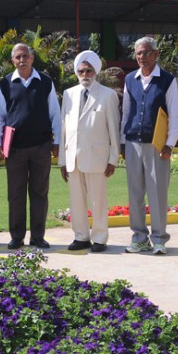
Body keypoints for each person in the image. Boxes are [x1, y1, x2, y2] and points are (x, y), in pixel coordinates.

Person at [0, 43, 61, 249]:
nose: (22, 60)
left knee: (40, 192)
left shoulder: (45, 82)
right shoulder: (6, 83)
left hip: (41, 146)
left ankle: (38, 236)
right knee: (16, 193)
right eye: (18, 57)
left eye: (25, 56)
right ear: (13, 61)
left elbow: (55, 113)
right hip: (14, 148)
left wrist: (57, 141)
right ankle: (17, 236)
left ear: (32, 58)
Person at [120, 36, 178, 255]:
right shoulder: (130, 79)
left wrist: (169, 145)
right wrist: (122, 142)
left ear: (155, 54)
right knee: (135, 194)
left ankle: (159, 239)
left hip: (157, 147)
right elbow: (126, 112)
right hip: (133, 143)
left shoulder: (167, 80)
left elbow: (174, 114)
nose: (142, 57)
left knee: (157, 194)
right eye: (138, 53)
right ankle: (139, 238)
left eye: (146, 52)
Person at [58, 50, 120, 253]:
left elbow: (114, 129)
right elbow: (64, 128)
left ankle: (100, 238)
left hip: (98, 157)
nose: (85, 74)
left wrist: (113, 159)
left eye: (89, 70)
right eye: (81, 71)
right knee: (76, 201)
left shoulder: (108, 95)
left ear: (96, 71)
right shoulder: (69, 94)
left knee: (98, 200)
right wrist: (62, 160)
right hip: (73, 157)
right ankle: (81, 237)